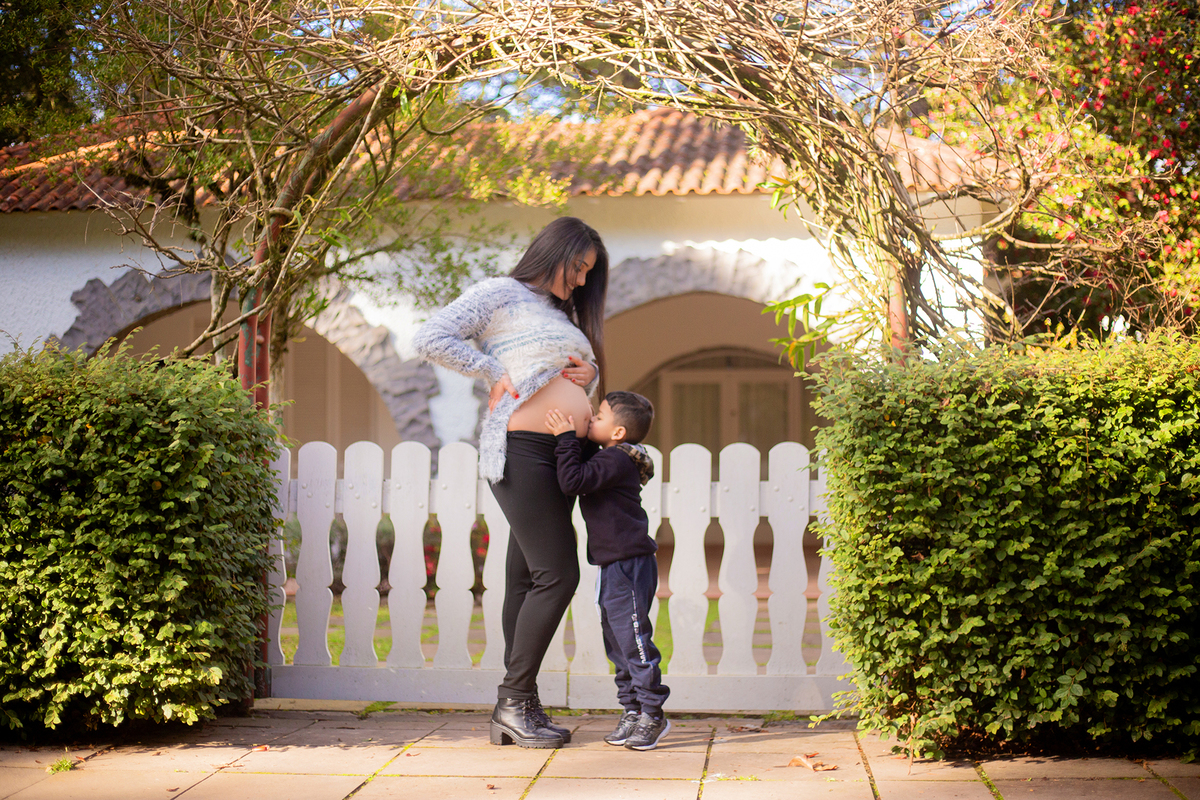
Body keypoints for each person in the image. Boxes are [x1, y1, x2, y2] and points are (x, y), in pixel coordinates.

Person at [412, 216, 607, 749]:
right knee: (558, 573)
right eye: (578, 267)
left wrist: (588, 376)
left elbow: (567, 375)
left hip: (563, 454)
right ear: (555, 252)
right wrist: (490, 369)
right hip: (523, 451)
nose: (582, 280)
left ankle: (521, 704)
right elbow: (430, 336)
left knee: (525, 577)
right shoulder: (500, 294)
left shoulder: (561, 313)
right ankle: (513, 700)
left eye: (589, 272)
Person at [545, 391, 672, 751]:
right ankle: (632, 710)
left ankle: (652, 713)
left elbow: (573, 481)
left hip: (628, 563)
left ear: (618, 433)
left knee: (633, 640)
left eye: (598, 417)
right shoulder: (612, 456)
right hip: (612, 563)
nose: (592, 420)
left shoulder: (617, 459)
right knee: (616, 642)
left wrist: (565, 438)